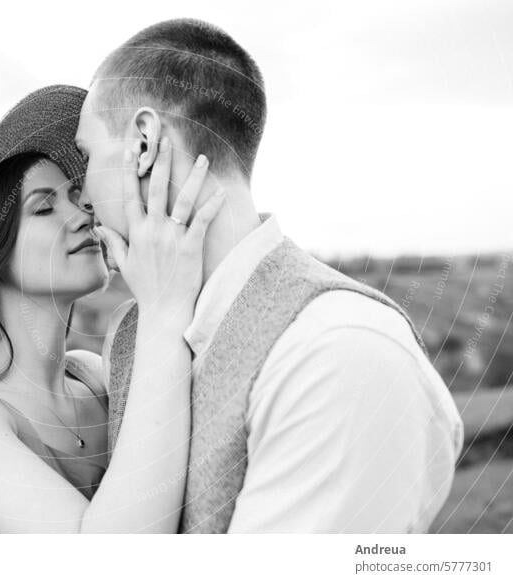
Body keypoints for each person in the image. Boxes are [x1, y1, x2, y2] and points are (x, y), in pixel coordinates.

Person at [76, 18, 466, 533]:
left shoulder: (340, 353)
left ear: (143, 144)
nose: (82, 195)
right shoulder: (136, 339)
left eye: (86, 156)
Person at [0, 85, 224, 533]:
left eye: (76, 195)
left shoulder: (98, 377)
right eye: (43, 207)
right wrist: (163, 308)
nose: (82, 214)